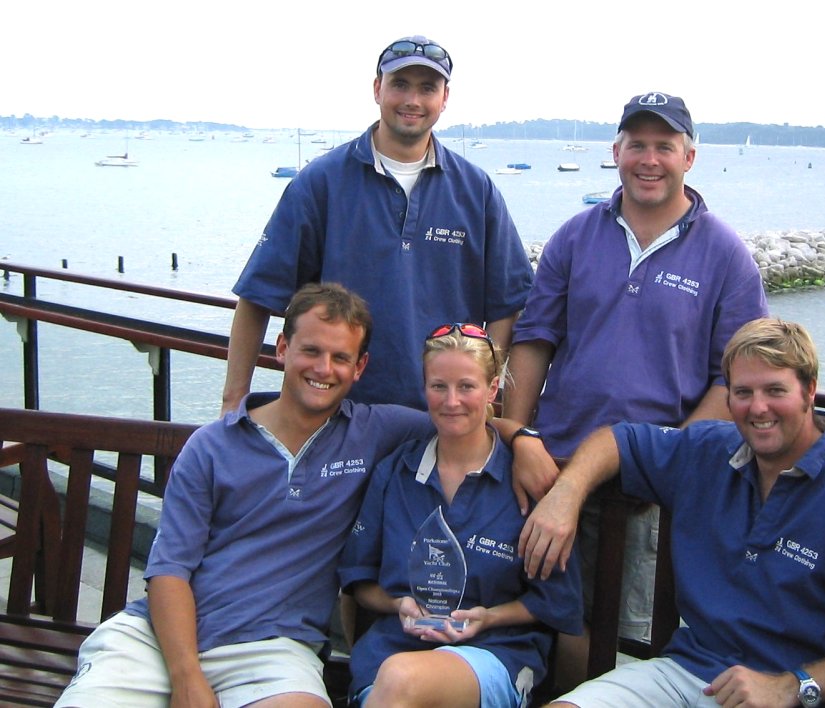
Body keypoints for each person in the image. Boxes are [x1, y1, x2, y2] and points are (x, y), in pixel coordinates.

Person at [518, 318, 825, 708]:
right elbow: (620, 440)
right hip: (689, 674)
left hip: (788, 694)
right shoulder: (710, 451)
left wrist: (790, 686)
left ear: (810, 390)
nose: (758, 408)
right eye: (743, 392)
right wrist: (567, 492)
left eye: (775, 390)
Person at [56, 283, 434, 708]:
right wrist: (186, 677)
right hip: (160, 638)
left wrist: (525, 441)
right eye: (311, 351)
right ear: (282, 349)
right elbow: (169, 570)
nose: (324, 368)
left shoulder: (373, 433)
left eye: (341, 357)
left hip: (274, 649)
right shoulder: (211, 446)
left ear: (360, 366)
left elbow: (464, 421)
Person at [503, 91, 768, 676]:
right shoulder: (575, 235)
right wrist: (519, 433)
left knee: (626, 640)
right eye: (637, 145)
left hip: (648, 490)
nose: (650, 160)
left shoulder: (725, 255)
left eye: (664, 147)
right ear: (616, 151)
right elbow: (534, 340)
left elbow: (739, 378)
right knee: (551, 627)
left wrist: (675, 459)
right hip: (555, 471)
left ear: (689, 157)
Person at [222, 34, 533, 414]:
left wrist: (486, 398)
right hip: (335, 419)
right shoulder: (321, 182)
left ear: (445, 98)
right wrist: (232, 404)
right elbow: (258, 295)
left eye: (427, 88)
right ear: (377, 89)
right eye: (399, 84)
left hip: (441, 422)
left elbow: (506, 308)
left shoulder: (477, 191)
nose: (412, 100)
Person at [338, 323, 582, 708]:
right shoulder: (394, 474)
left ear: (492, 389)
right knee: (396, 677)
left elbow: (554, 601)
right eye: (439, 386)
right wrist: (398, 605)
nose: (451, 401)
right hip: (394, 650)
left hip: (494, 651)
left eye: (466, 386)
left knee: (403, 681)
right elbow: (360, 580)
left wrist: (489, 617)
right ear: (425, 389)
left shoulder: (528, 481)